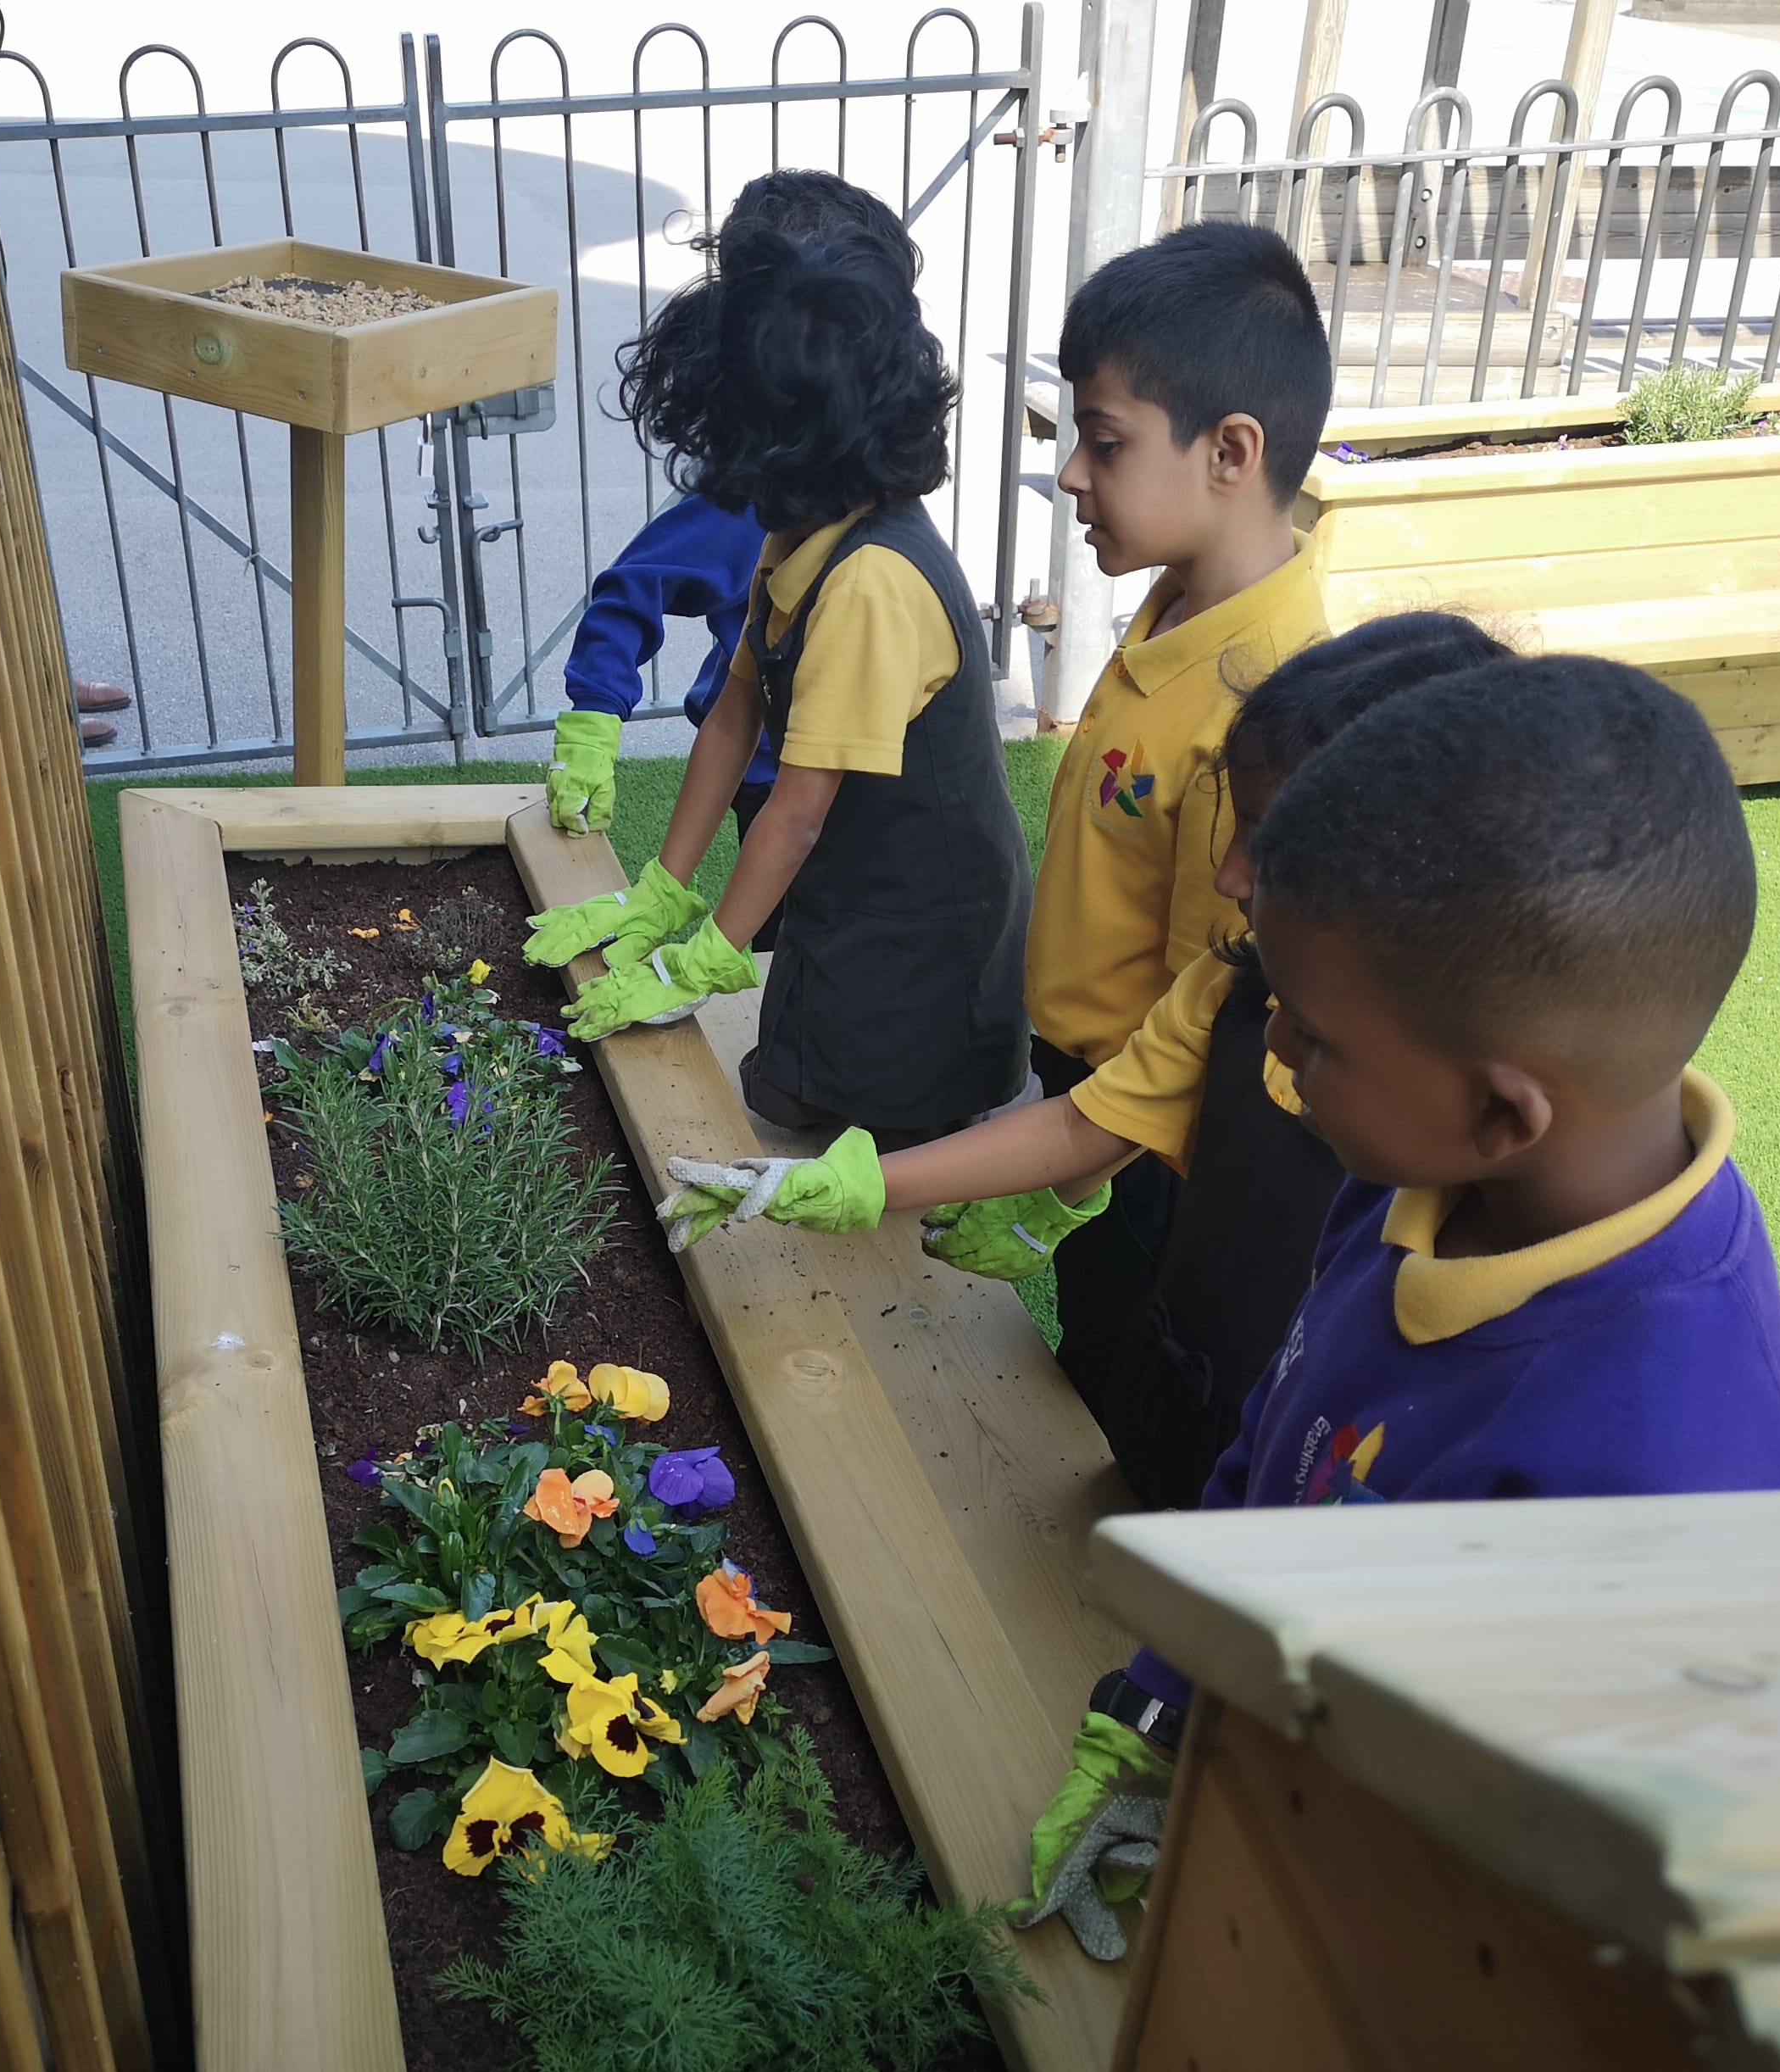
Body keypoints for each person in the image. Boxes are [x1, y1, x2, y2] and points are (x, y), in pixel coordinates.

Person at [1021, 653, 1780, 1975]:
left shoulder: (1668, 1479)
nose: (1272, 1047)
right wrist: (1160, 1714)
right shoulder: (1408, 1189)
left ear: (1505, 1110)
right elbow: (1274, 1474)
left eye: (1315, 1037)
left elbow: (1587, 1918)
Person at [654, 615, 1513, 1510]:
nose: (1228, 876)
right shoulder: (1231, 991)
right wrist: (836, 1184)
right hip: (1190, 1397)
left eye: (1268, 836)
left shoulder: (1474, 1136)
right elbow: (1079, 1121)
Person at [523, 187, 1028, 1149]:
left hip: (922, 924)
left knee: (876, 1125)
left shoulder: (870, 583)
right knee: (788, 1092)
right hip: (848, 886)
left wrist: (700, 967)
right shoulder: (802, 528)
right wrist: (660, 892)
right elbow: (735, 710)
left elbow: (794, 816)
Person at [1007, 220, 1333, 1419]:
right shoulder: (1178, 601)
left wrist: (1077, 1179)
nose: (1073, 476)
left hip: (1137, 1146)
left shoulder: (1260, 707)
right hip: (1082, 1100)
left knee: (1121, 1384)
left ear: (1230, 452)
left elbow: (1202, 1032)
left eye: (1104, 443)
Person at [542, 170, 923, 927]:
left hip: (853, 801)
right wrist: (595, 714)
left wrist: (712, 951)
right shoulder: (768, 490)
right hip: (772, 779)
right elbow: (732, 696)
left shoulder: (866, 552)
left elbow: (803, 812)